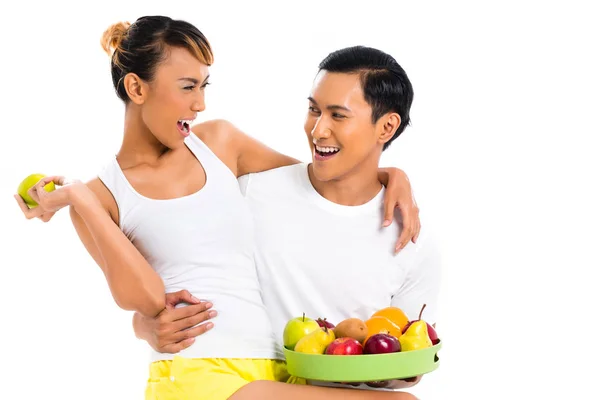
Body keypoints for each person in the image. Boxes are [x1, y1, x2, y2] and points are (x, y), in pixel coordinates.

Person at [14, 16, 421, 400]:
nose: (201, 104)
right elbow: (147, 300)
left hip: (277, 367)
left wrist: (390, 173)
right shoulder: (101, 197)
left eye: (205, 86)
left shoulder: (220, 144)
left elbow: (326, 179)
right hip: (197, 373)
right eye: (188, 87)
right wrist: (81, 200)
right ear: (137, 89)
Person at [134, 45, 441, 394]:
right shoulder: (250, 191)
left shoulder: (412, 242)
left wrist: (379, 364)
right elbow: (149, 228)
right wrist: (144, 321)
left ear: (386, 127)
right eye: (314, 110)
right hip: (226, 381)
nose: (318, 130)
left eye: (338, 115)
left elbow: (407, 363)